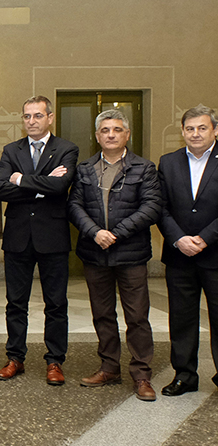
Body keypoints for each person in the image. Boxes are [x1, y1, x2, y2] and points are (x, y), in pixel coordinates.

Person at [68, 109, 161, 402]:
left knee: (137, 317)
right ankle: (109, 367)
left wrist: (116, 233)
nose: (111, 135)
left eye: (117, 130)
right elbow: (74, 205)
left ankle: (142, 374)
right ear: (97, 136)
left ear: (127, 134)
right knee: (103, 315)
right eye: (105, 130)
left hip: (131, 254)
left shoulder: (144, 168)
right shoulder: (84, 169)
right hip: (95, 254)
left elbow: (151, 207)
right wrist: (95, 232)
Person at [0, 95, 79, 386]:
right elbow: (1, 190)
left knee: (56, 303)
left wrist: (22, 179)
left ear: (50, 117)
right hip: (18, 237)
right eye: (27, 116)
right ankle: (15, 358)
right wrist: (43, 185)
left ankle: (55, 361)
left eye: (38, 116)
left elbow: (61, 186)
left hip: (52, 237)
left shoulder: (66, 148)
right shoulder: (10, 150)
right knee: (15, 303)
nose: (32, 121)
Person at [156, 104, 218, 396]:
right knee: (181, 318)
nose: (195, 134)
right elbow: (160, 208)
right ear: (182, 132)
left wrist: (205, 238)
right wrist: (179, 239)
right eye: (190, 128)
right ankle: (185, 375)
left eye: (202, 128)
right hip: (179, 255)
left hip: (215, 254)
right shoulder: (168, 162)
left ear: (215, 130)